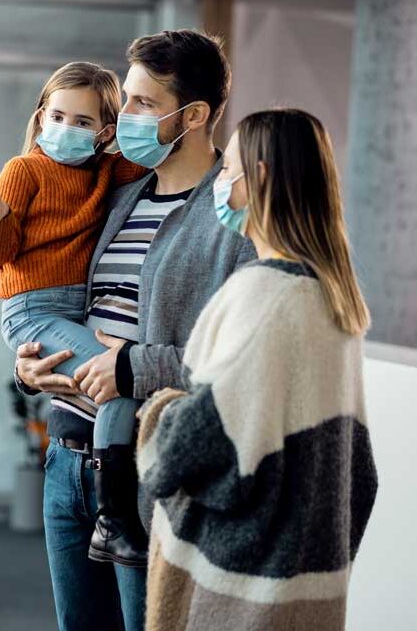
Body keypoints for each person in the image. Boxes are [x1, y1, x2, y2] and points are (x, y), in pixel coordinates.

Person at [11, 30, 256, 631]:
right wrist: (31, 369)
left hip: (151, 474)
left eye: (145, 105)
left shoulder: (232, 221)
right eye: (128, 105)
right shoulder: (118, 196)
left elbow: (239, 365)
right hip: (67, 458)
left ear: (194, 116)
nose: (126, 120)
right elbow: (66, 304)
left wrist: (133, 367)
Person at [135, 109, 378, 631]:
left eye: (229, 170)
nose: (220, 181)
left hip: (235, 597)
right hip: (306, 595)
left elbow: (189, 449)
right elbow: (362, 477)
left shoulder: (263, 295)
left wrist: (157, 411)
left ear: (260, 178)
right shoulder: (334, 301)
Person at [0, 61, 150, 561]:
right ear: (41, 115)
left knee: (113, 379)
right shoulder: (23, 169)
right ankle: (115, 514)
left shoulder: (104, 172)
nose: (65, 129)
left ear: (105, 132)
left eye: (82, 122)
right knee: (117, 381)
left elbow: (154, 159)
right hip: (32, 309)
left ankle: (107, 503)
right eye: (57, 116)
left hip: (75, 310)